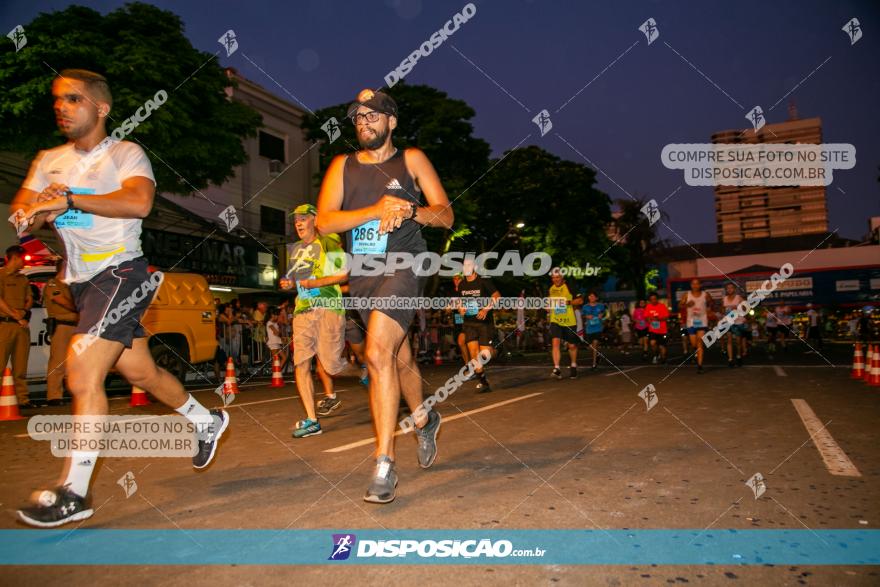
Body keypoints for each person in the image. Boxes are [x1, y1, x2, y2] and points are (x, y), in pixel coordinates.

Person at [13, 69, 227, 527]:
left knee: (84, 367)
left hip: (123, 271)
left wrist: (70, 200)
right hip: (79, 282)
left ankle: (74, 492)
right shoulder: (48, 159)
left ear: (100, 108)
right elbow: (23, 216)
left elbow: (139, 204)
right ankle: (205, 421)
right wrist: (31, 213)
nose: (62, 107)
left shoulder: (126, 153)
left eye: (73, 99)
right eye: (58, 101)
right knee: (140, 371)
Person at [316, 89, 453, 503]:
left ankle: (384, 465)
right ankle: (425, 419)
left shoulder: (410, 159)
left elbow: (445, 215)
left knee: (377, 354)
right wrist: (377, 209)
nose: (364, 122)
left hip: (406, 264)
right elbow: (324, 222)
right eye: (358, 118)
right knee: (399, 356)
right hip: (363, 274)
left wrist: (410, 210)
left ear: (391, 122)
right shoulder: (342, 166)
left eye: (373, 116)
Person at [284, 204, 349, 437]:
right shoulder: (295, 250)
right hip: (303, 311)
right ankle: (312, 420)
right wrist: (290, 283)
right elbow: (297, 279)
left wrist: (316, 283)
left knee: (332, 366)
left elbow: (344, 274)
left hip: (328, 307)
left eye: (303, 218)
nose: (298, 223)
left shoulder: (329, 241)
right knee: (301, 364)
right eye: (296, 220)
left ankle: (370, 372)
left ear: (315, 220)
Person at [456, 256, 500, 393]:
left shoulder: (483, 281)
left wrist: (486, 309)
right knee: (474, 353)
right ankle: (483, 382)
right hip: (469, 323)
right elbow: (460, 301)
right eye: (464, 266)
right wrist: (461, 309)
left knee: (484, 355)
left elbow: (497, 296)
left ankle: (496, 350)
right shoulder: (462, 284)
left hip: (484, 323)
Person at [0, 245, 34, 407]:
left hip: (21, 327)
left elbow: (29, 299)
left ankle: (23, 400)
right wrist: (15, 315)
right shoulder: (1, 276)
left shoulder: (23, 279)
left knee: (21, 367)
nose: (23, 263)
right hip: (5, 326)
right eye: (22, 259)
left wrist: (23, 312)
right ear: (14, 258)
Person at [44, 259, 79, 406]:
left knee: (73, 363)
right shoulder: (53, 283)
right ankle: (54, 396)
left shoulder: (69, 285)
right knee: (58, 361)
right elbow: (61, 300)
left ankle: (72, 391)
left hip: (75, 326)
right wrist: (78, 309)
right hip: (62, 326)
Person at [547, 268, 580, 379]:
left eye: (557, 277)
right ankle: (557, 368)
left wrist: (568, 302)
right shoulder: (551, 289)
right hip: (556, 320)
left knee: (572, 345)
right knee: (555, 342)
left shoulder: (569, 287)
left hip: (569, 320)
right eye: (553, 278)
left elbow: (580, 301)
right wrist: (548, 307)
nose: (555, 280)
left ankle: (574, 365)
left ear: (562, 278)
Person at [680, 278, 712, 374]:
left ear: (700, 285)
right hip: (691, 322)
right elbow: (680, 306)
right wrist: (686, 304)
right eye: (693, 284)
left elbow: (711, 302)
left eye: (697, 284)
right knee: (694, 343)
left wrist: (709, 308)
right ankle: (695, 351)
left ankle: (700, 366)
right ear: (691, 285)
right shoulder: (687, 295)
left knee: (699, 341)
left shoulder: (705, 294)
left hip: (702, 321)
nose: (695, 285)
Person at [721, 283, 746, 367]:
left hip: (738, 322)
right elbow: (722, 310)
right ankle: (730, 359)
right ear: (726, 290)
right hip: (729, 322)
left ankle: (739, 356)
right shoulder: (724, 299)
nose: (729, 289)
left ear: (734, 289)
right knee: (729, 340)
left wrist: (738, 308)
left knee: (738, 342)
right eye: (728, 288)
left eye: (731, 288)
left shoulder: (738, 298)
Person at [581, 291, 607, 371]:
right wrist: (586, 316)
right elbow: (582, 316)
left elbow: (606, 314)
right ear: (588, 297)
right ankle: (598, 354)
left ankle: (594, 364)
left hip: (598, 328)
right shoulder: (585, 307)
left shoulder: (601, 306)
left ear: (596, 298)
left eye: (593, 296)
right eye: (590, 296)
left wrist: (602, 315)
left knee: (595, 343)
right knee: (590, 347)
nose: (591, 298)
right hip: (589, 329)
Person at [644, 292, 669, 364]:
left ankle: (664, 359)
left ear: (657, 299)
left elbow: (666, 317)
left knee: (662, 346)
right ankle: (656, 354)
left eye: (655, 299)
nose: (653, 301)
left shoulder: (662, 306)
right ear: (650, 300)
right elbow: (646, 317)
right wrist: (648, 319)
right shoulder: (648, 307)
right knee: (652, 343)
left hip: (662, 330)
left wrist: (658, 319)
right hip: (653, 330)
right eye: (651, 299)